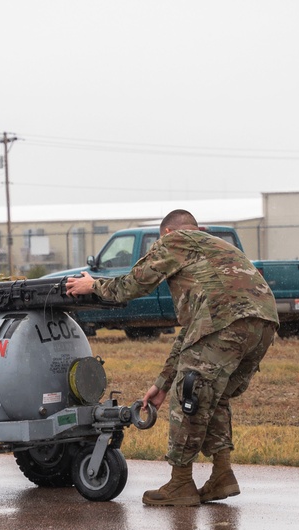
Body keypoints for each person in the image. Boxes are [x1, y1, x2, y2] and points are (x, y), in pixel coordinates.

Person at [66, 209, 279, 506]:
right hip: (264, 323)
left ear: (165, 233)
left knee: (189, 398)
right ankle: (222, 475)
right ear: (198, 227)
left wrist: (94, 286)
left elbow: (132, 285)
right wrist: (163, 383)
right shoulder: (218, 249)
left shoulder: (174, 241)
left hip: (224, 322)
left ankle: (180, 483)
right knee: (210, 396)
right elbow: (193, 332)